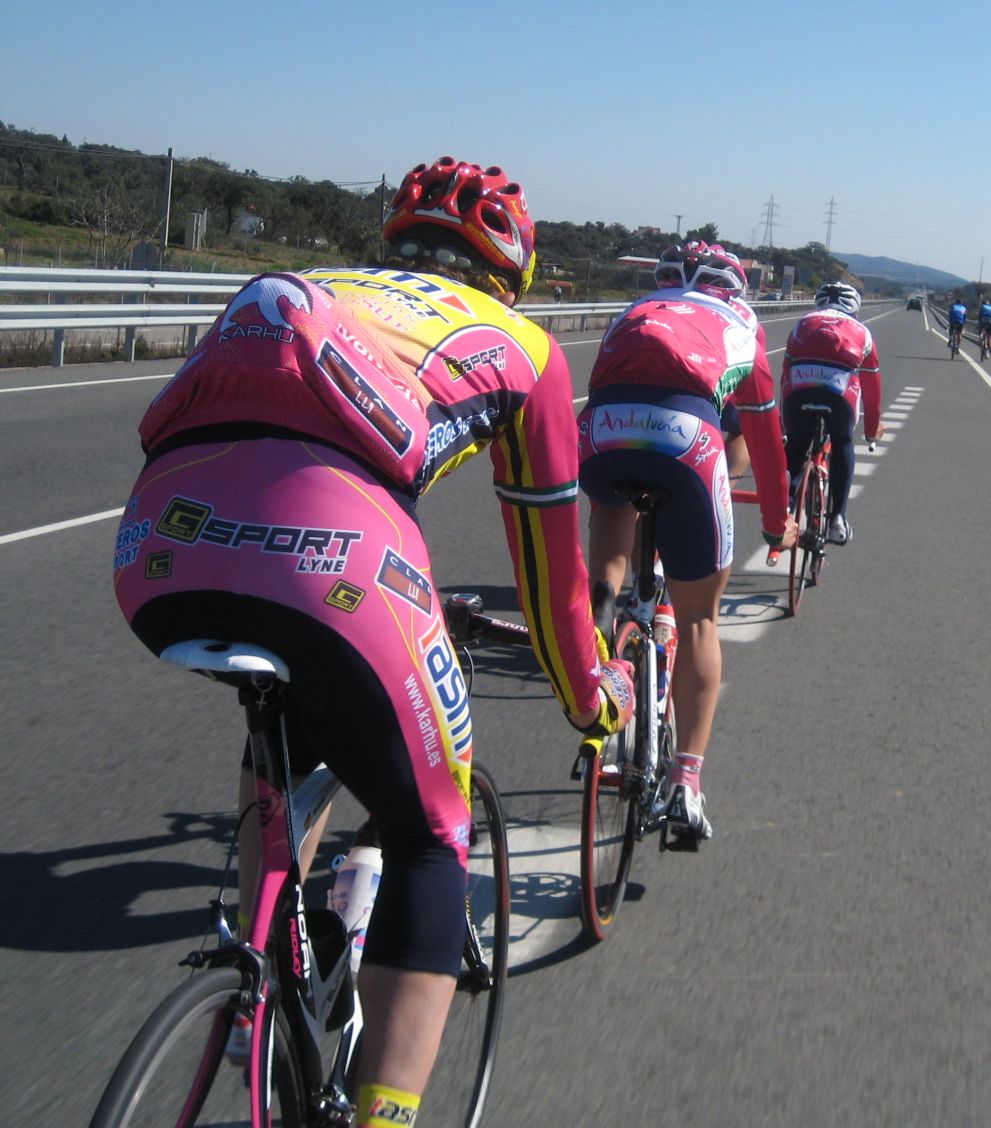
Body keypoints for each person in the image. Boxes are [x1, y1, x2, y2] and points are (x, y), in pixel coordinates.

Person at [112, 155, 634, 1128]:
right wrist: (588, 698)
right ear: (513, 268)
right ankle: (382, 1112)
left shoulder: (322, 287)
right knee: (432, 834)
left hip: (154, 548)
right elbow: (553, 583)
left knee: (295, 720)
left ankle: (262, 986)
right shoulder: (524, 344)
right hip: (338, 567)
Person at [578, 240, 796, 841]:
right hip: (686, 437)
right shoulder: (742, 324)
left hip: (600, 433)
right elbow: (766, 445)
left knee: (612, 512)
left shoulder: (636, 311)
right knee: (700, 619)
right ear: (735, 290)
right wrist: (775, 525)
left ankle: (603, 619)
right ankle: (686, 784)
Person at [780, 281, 884, 546]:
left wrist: (784, 424)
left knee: (796, 442)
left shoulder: (802, 323)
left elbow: (784, 376)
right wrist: (871, 431)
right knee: (843, 442)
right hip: (839, 396)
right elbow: (872, 391)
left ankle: (786, 499)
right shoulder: (863, 332)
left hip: (798, 391)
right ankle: (838, 518)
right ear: (855, 308)